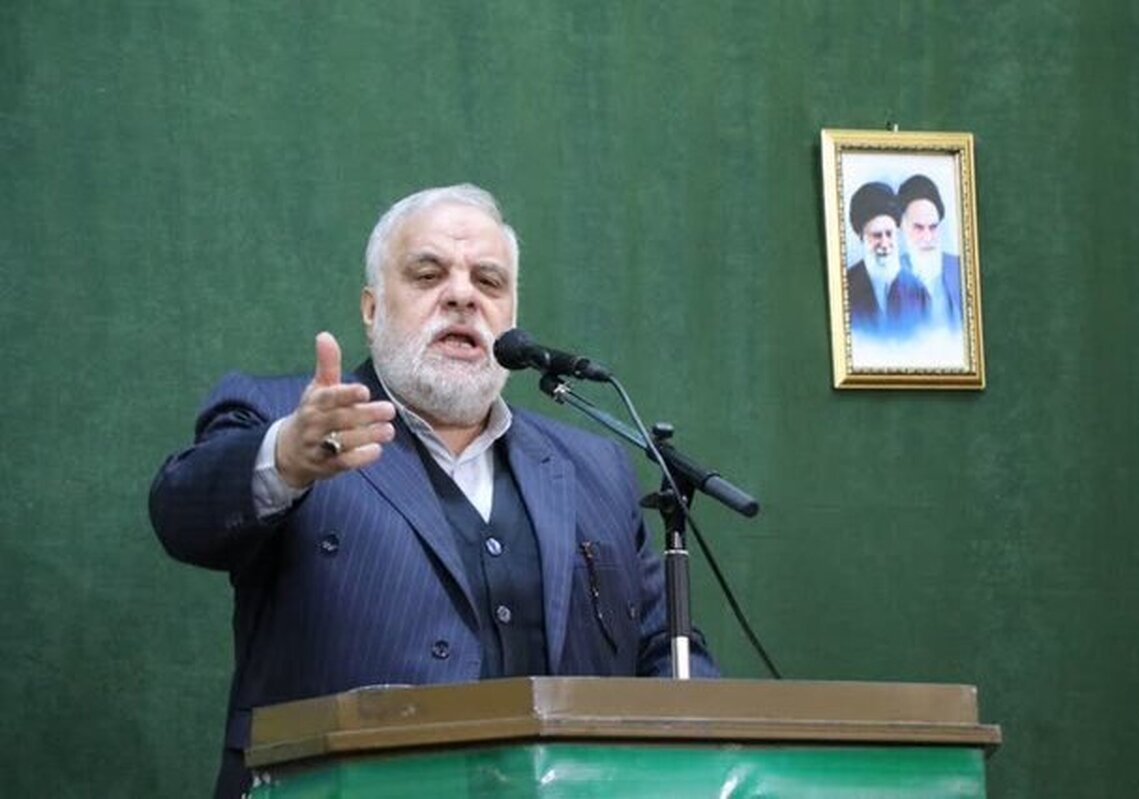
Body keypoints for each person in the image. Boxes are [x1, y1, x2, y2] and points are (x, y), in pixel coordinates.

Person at [148, 184, 718, 798]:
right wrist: (285, 458)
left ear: (511, 318)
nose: (463, 296)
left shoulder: (593, 466)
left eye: (489, 282)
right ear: (371, 309)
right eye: (428, 275)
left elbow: (664, 649)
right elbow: (181, 515)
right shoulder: (281, 417)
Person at [844, 182, 928, 337]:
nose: (884, 244)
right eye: (876, 235)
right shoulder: (845, 287)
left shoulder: (918, 292)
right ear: (861, 236)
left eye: (889, 234)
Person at [898, 174, 963, 331]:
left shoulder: (961, 268)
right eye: (918, 228)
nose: (928, 237)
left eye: (933, 227)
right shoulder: (888, 276)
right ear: (902, 226)